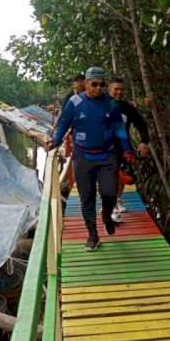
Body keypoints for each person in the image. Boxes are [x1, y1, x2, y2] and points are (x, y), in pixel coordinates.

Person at [48, 67, 135, 251]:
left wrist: (126, 150)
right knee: (86, 198)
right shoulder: (75, 102)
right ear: (86, 83)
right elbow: (64, 123)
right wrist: (56, 142)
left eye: (102, 85)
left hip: (107, 155)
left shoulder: (110, 103)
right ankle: (92, 235)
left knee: (110, 193)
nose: (98, 88)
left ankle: (106, 215)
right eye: (94, 84)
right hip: (83, 156)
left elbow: (119, 128)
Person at [107, 77, 150, 222]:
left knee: (122, 176)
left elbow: (141, 124)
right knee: (109, 177)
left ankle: (117, 200)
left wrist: (144, 141)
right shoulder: (100, 104)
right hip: (105, 148)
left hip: (123, 148)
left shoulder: (127, 108)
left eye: (121, 89)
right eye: (116, 89)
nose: (119, 92)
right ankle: (111, 208)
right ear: (109, 89)